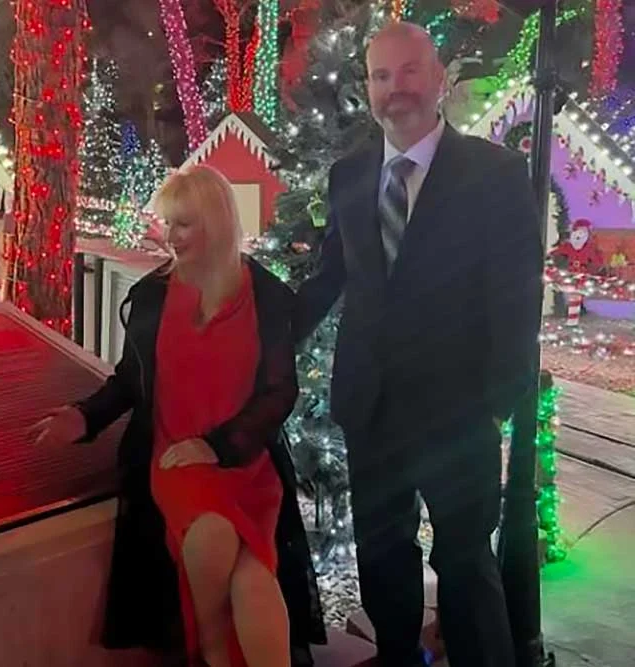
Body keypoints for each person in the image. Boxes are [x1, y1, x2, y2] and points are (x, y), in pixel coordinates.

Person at [292, 21, 543, 667]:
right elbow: (329, 277)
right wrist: (259, 332)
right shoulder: (349, 175)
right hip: (371, 406)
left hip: (456, 412)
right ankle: (400, 656)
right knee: (382, 553)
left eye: (408, 72)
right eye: (380, 76)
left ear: (438, 81)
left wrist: (500, 395)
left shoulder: (495, 172)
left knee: (464, 559)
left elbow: (517, 291)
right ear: (367, 87)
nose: (394, 88)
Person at [32, 164, 325, 667]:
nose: (170, 238)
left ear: (217, 223)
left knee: (254, 573)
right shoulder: (152, 297)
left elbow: (279, 393)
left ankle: (213, 654)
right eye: (168, 224)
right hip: (175, 456)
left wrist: (219, 447)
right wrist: (85, 418)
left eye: (183, 225)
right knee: (216, 535)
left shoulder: (269, 299)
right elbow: (130, 378)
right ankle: (211, 648)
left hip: (243, 461)